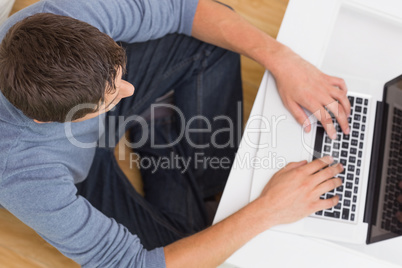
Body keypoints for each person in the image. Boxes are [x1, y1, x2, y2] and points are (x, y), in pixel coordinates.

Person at [0, 0, 351, 267]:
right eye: (109, 98)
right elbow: (133, 263)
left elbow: (183, 8)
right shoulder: (24, 176)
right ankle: (161, 125)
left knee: (212, 41)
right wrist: (268, 210)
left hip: (76, 114)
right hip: (75, 175)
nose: (129, 89)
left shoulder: (63, 15)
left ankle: (210, 178)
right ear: (47, 122)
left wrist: (284, 59)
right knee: (197, 245)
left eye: (119, 75)